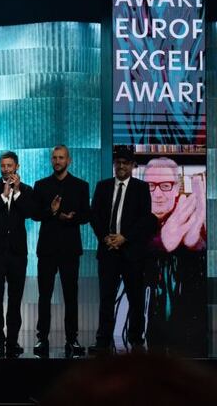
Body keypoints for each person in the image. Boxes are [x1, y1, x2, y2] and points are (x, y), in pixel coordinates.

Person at [88, 145, 153, 355]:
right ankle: (102, 340)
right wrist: (105, 237)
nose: (121, 166)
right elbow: (95, 215)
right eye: (118, 163)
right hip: (108, 250)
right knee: (106, 297)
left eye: (125, 163)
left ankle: (135, 339)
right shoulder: (103, 186)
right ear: (114, 165)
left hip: (131, 252)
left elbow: (145, 220)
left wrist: (124, 238)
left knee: (135, 297)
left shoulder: (141, 188)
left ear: (132, 165)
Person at [142, 157, 207, 355]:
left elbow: (200, 247)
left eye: (165, 185)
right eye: (150, 186)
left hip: (185, 326)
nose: (157, 194)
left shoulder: (190, 212)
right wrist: (161, 242)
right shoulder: (136, 212)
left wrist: (196, 242)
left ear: (177, 187)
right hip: (146, 321)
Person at [30, 145, 90, 357]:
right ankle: (41, 338)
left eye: (61, 158)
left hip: (70, 249)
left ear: (69, 160)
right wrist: (53, 212)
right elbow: (35, 214)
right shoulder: (41, 185)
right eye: (54, 158)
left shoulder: (81, 186)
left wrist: (72, 218)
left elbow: (86, 215)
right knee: (44, 295)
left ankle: (72, 338)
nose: (57, 161)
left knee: (71, 295)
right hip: (46, 249)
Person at [0, 151, 33, 357]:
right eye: (3, 166)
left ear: (17, 167)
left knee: (15, 299)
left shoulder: (27, 189)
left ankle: (12, 341)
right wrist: (4, 196)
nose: (6, 169)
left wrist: (17, 192)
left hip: (17, 253)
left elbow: (30, 212)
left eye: (9, 166)